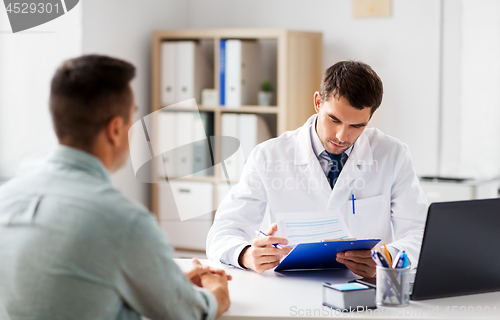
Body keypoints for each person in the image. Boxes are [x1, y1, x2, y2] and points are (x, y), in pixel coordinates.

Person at [0, 55, 230, 320]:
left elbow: (69, 286)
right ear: (116, 129)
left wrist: (167, 280)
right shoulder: (125, 221)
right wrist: (218, 293)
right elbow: (187, 314)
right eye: (133, 117)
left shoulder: (6, 199)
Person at [207, 61, 428, 277]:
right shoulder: (268, 156)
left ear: (370, 118)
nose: (342, 136)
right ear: (318, 102)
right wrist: (245, 255)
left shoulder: (393, 154)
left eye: (356, 126)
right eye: (334, 119)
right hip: (290, 290)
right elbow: (223, 231)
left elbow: (420, 233)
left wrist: (385, 260)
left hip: (363, 289)